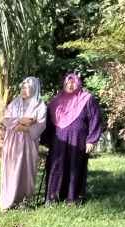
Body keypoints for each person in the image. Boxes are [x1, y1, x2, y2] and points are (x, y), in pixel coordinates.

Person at [41, 72, 103, 204]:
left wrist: (91, 140)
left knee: (76, 166)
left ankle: (73, 198)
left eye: (73, 82)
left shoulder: (87, 99)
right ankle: (52, 198)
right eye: (68, 82)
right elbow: (48, 123)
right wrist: (46, 141)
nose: (70, 85)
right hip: (58, 142)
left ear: (78, 83)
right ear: (64, 84)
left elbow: (95, 119)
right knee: (56, 167)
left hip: (78, 141)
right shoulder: (55, 102)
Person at [0, 76, 47, 212]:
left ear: (34, 89)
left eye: (27, 88)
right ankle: (8, 201)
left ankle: (24, 200)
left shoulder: (40, 105)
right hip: (12, 143)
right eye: (23, 87)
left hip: (29, 144)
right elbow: (6, 119)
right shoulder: (14, 103)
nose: (24, 90)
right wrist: (24, 121)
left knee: (27, 170)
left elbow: (41, 124)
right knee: (10, 170)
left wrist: (26, 127)